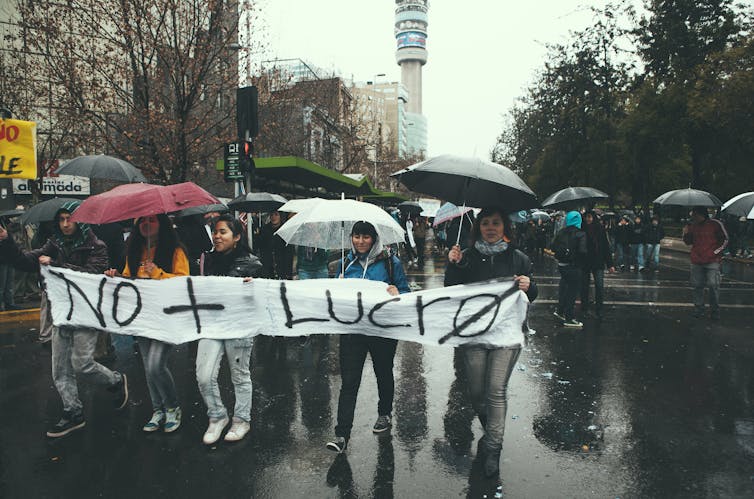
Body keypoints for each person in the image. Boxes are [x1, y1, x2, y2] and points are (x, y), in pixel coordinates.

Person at [0, 201, 128, 437]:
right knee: (59, 367)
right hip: (61, 313)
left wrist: (56, 265)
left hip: (86, 314)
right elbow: (25, 261)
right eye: (61, 219)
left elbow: (89, 275)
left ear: (81, 220)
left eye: (70, 218)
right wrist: (6, 240)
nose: (66, 224)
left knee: (83, 364)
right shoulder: (54, 244)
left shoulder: (96, 246)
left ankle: (115, 380)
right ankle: (73, 411)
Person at [444, 207, 537, 478]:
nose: (491, 227)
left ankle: (493, 447)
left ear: (504, 227)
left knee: (496, 389)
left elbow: (533, 294)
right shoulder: (467, 257)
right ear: (478, 228)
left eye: (496, 223)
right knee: (476, 392)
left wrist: (529, 286)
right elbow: (451, 289)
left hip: (506, 335)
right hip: (474, 335)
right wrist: (453, 264)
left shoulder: (519, 259)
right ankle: (491, 425)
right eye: (485, 223)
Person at [326, 221, 410, 454]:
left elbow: (406, 292)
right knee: (349, 382)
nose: (360, 241)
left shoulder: (391, 263)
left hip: (383, 331)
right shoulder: (344, 264)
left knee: (383, 372)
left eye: (365, 237)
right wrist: (338, 284)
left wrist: (397, 292)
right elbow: (330, 295)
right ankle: (342, 434)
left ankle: (384, 413)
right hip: (353, 332)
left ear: (374, 239)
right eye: (356, 236)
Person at [105, 214, 189, 432]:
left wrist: (158, 274)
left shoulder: (176, 251)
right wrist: (115, 278)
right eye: (142, 221)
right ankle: (158, 409)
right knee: (147, 367)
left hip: (166, 318)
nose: (146, 224)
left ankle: (173, 407)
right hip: (143, 318)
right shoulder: (133, 252)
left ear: (161, 224)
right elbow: (127, 281)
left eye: (152, 220)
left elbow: (184, 282)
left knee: (155, 365)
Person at [196, 215, 262, 444]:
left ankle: (242, 420)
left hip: (238, 325)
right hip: (212, 325)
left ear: (236, 237)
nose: (217, 236)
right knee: (204, 376)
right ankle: (217, 416)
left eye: (223, 232)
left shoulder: (250, 263)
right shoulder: (206, 260)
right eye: (215, 231)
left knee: (240, 376)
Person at [682, 207, 729, 320]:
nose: (692, 217)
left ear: (700, 214)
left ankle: (714, 309)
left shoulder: (715, 224)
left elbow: (725, 239)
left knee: (713, 285)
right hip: (696, 260)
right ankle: (699, 308)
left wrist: (715, 252)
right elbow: (688, 242)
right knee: (697, 285)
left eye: (694, 215)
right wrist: (685, 233)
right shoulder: (692, 226)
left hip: (712, 260)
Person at [552, 211, 587, 328]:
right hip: (573, 266)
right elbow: (583, 251)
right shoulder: (580, 234)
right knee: (572, 292)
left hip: (561, 265)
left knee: (564, 289)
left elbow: (553, 245)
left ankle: (560, 311)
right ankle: (569, 318)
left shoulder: (561, 232)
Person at [580, 211, 615, 318]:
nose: (588, 219)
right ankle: (584, 308)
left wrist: (610, 264)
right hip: (585, 262)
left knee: (599, 286)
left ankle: (599, 309)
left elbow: (605, 247)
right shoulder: (581, 229)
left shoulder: (600, 230)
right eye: (586, 217)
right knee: (584, 286)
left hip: (598, 261)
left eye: (590, 217)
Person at [258, 211, 294, 279]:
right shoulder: (264, 229)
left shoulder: (286, 229)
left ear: (280, 216)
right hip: (268, 264)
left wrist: (288, 272)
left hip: (283, 264)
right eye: (271, 215)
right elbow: (261, 247)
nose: (273, 217)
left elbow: (290, 252)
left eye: (276, 215)